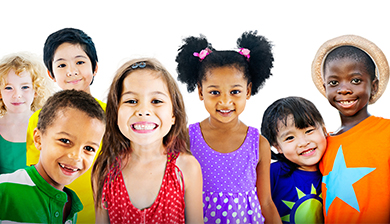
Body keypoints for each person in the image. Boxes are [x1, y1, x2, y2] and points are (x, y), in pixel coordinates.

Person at [176, 31, 280, 223]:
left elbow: (265, 202)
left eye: (235, 92)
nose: (225, 101)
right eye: (214, 92)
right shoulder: (187, 138)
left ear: (248, 91)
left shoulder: (259, 144)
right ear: (200, 91)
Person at [92, 58, 203, 223]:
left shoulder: (187, 167)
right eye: (131, 101)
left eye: (156, 101)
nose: (143, 111)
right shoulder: (105, 169)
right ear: (115, 114)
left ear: (173, 115)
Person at [25, 27, 106, 223]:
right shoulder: (39, 119)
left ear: (95, 67)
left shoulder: (112, 114)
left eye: (80, 62)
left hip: (101, 214)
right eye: (61, 65)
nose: (71, 71)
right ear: (51, 74)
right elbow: (36, 177)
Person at [311, 34, 390, 223]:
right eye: (334, 82)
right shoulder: (322, 143)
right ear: (325, 87)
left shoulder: (386, 132)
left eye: (355, 80)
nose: (344, 89)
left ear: (374, 85)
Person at [0, 89, 106, 223]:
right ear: (38, 139)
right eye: (65, 141)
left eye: (89, 148)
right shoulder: (4, 189)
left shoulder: (73, 208)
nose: (76, 156)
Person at [261, 96, 327, 223]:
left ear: (324, 129)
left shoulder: (335, 165)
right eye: (290, 138)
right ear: (277, 147)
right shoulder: (272, 173)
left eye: (309, 131)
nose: (303, 142)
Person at [0, 52, 52, 174]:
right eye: (8, 88)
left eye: (25, 87)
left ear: (36, 90)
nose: (17, 95)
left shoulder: (48, 127)